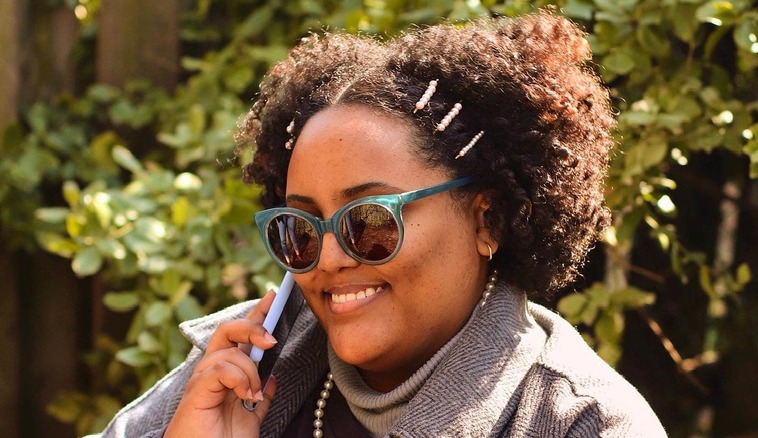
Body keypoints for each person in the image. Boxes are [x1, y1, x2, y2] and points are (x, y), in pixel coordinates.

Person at [95, 10, 666, 438]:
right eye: (302, 228)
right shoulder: (242, 371)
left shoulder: (584, 423)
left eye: (369, 221)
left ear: (486, 218)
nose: (330, 258)